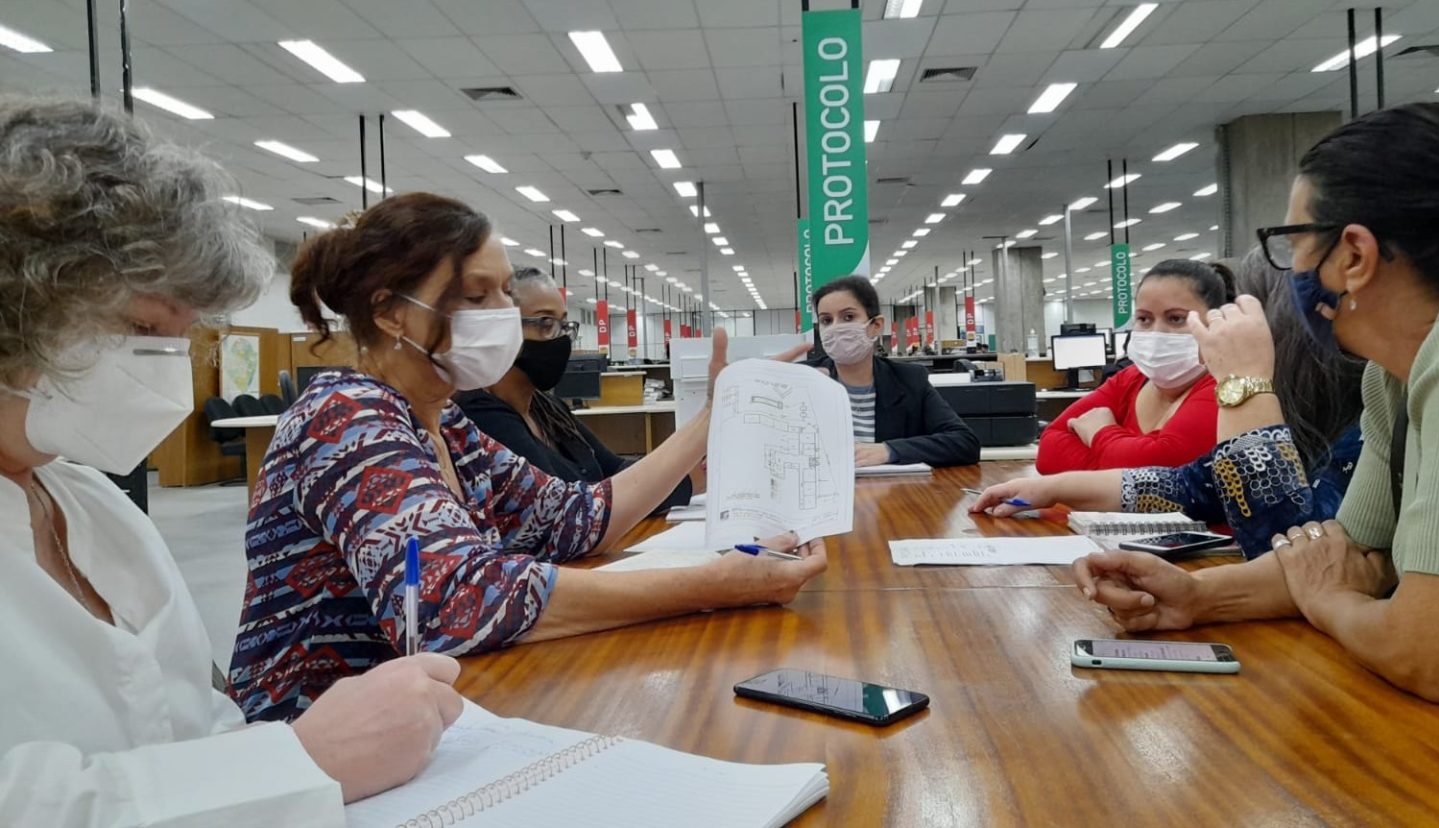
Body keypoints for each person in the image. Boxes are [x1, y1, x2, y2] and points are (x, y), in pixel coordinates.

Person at [0, 97, 465, 824]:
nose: (165, 372)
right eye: (140, 330)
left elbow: (194, 729)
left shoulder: (94, 509)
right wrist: (297, 764)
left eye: (177, 339)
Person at [229, 193, 826, 723]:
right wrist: (713, 585)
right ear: (391, 313)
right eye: (475, 295)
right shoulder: (346, 417)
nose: (501, 314)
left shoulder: (445, 422)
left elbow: (578, 518)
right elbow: (455, 604)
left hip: (434, 716)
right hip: (323, 746)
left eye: (503, 293)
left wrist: (711, 417)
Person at [1074, 102, 1439, 704]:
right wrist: (1200, 597)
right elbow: (1351, 552)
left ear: (1353, 255)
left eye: (1290, 242)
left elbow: (1436, 655)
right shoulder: (1390, 378)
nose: (1287, 268)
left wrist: (1332, 602)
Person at [974, 247, 1365, 559]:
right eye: (1143, 319)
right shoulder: (1139, 380)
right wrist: (1054, 487)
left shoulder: (1360, 428)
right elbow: (1184, 483)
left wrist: (1242, 383)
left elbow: (1282, 547)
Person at [458, 267, 693, 513]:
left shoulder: (547, 407)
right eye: (546, 322)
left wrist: (682, 466)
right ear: (501, 328)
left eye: (564, 325)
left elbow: (613, 468)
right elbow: (574, 508)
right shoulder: (481, 416)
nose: (561, 339)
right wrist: (683, 474)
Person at [1035, 259, 1233, 474]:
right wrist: (1123, 460)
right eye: (1144, 319)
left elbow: (1160, 470)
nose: (1157, 332)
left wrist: (1101, 433)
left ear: (1215, 322)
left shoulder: (1225, 388)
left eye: (1176, 318)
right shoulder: (1131, 379)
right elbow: (1049, 453)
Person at [805, 276, 980, 468]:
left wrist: (889, 450)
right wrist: (767, 380)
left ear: (876, 325)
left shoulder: (909, 380)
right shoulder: (803, 379)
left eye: (848, 317)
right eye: (826, 320)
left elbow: (965, 443)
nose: (835, 328)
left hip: (890, 494)